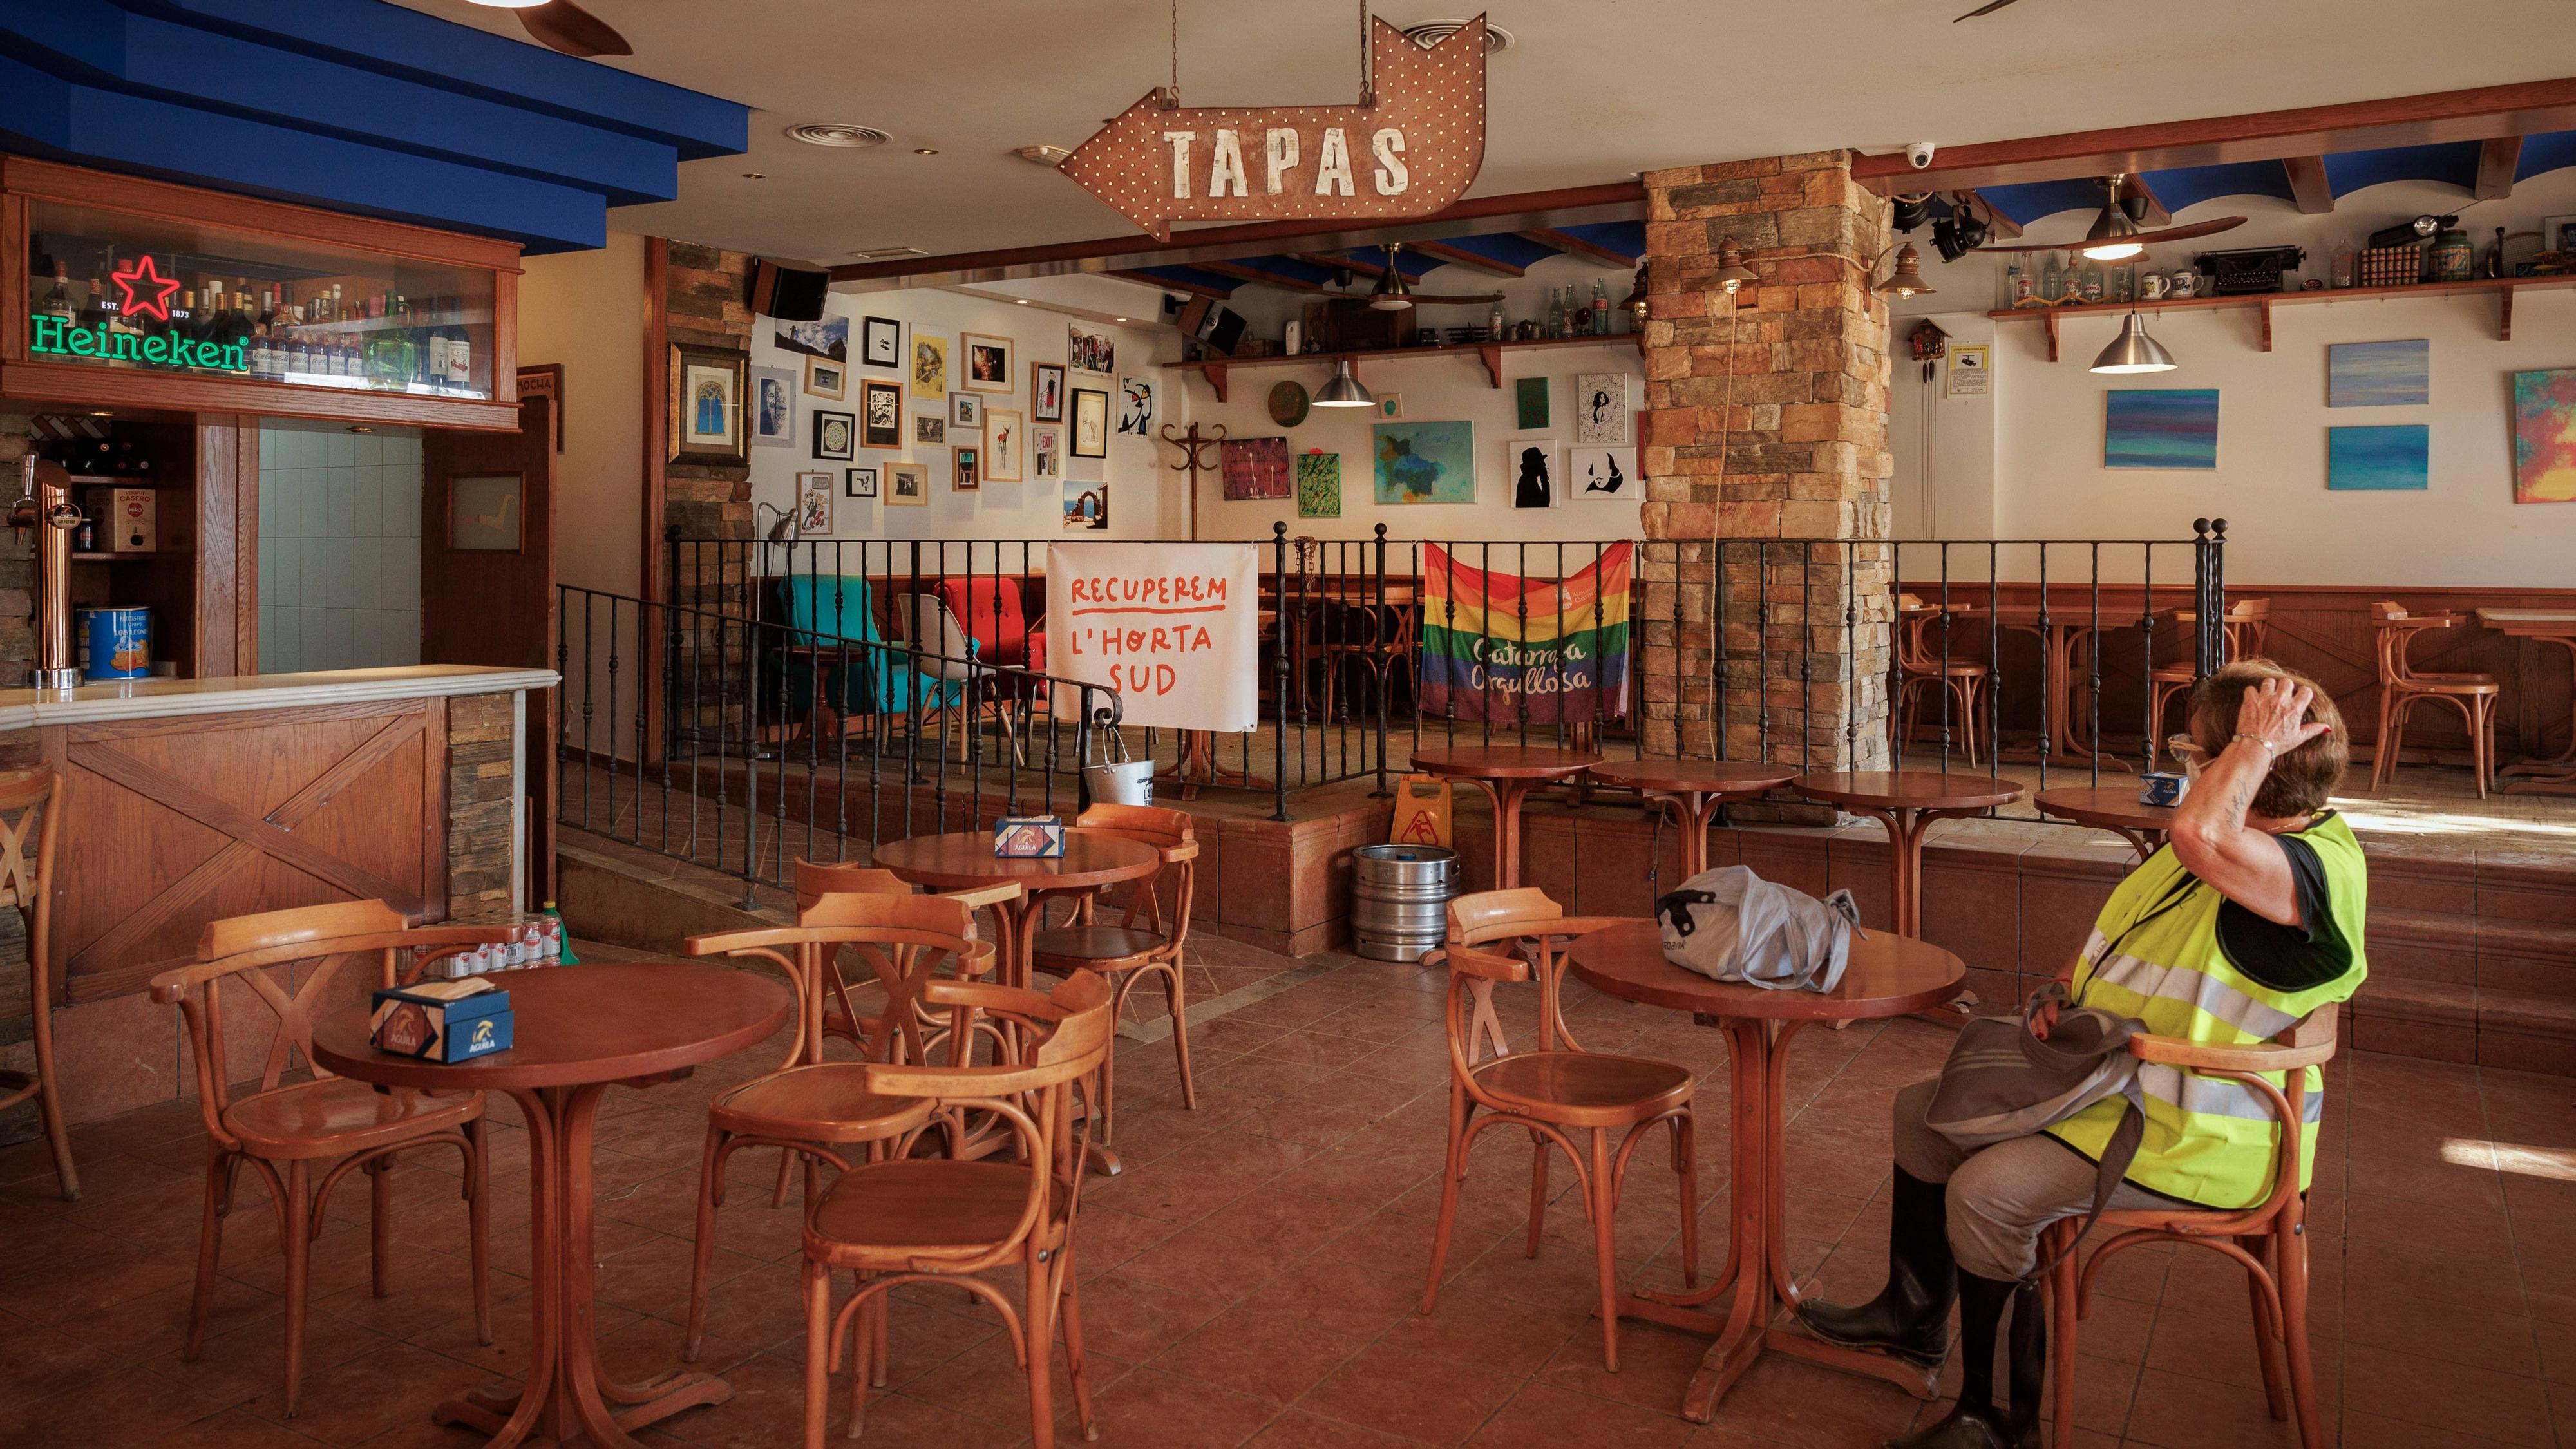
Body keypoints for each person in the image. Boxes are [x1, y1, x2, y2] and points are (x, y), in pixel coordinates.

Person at [1797, 660, 2367, 1449]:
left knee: (1986, 1194)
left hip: (2190, 1139)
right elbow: (2122, 937)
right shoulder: (2232, 844)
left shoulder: (2302, 868)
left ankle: (1997, 1420)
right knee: (1920, 1116)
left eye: (2192, 753)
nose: (2185, 768)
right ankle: (1912, 1317)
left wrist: (2251, 743)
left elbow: (2197, 833)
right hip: (2115, 1091)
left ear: (2242, 767)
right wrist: (2059, 993)